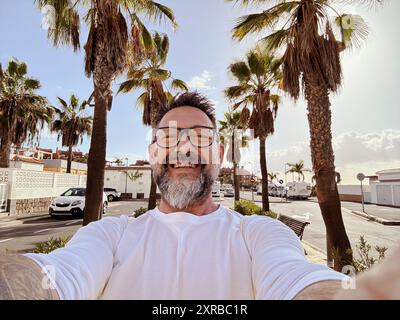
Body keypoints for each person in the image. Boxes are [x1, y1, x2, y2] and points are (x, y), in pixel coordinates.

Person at [0, 92, 399, 300]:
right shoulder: (110, 235)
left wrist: (358, 291)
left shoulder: (257, 233)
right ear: (153, 154)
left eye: (201, 139)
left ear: (220, 155)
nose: (185, 149)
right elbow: (57, 274)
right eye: (169, 138)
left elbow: (294, 278)